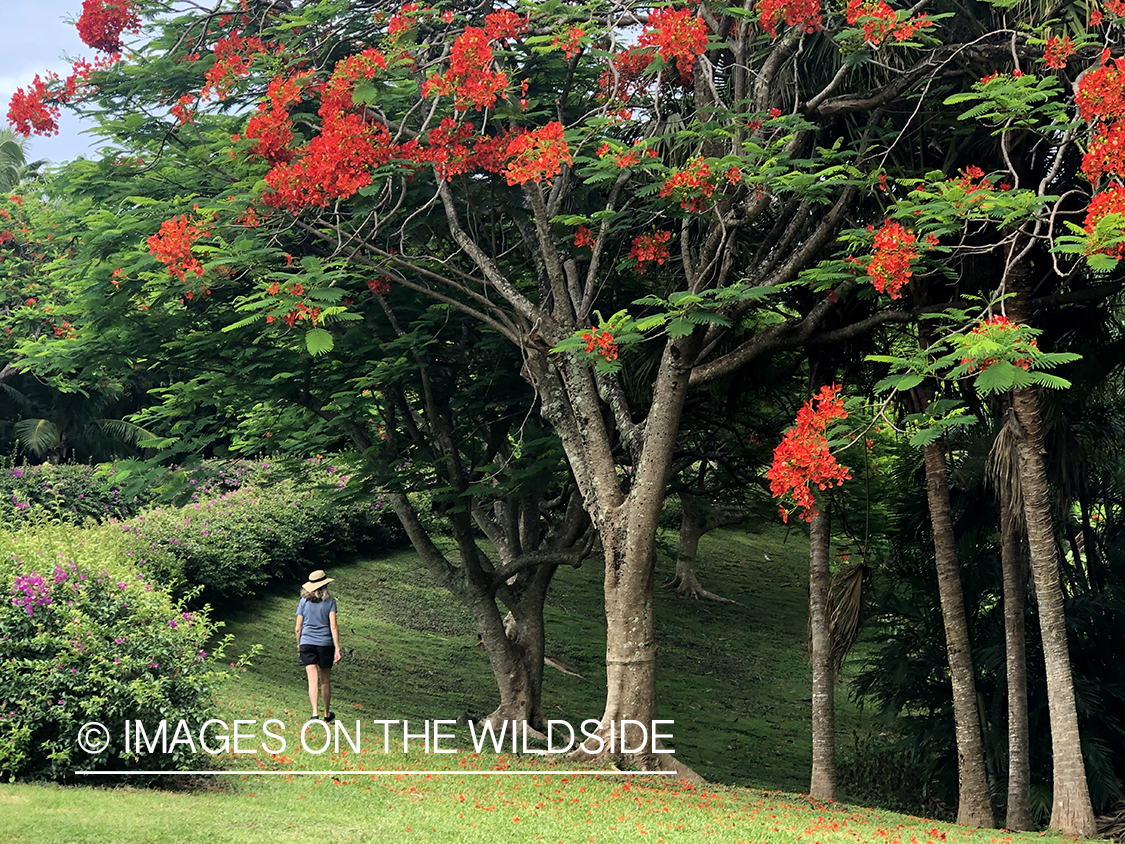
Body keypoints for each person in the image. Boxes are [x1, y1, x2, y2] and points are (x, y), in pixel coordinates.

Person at [295, 569, 341, 721]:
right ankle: (327, 714)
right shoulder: (330, 602)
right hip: (325, 643)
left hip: (306, 642)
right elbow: (333, 626)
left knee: (312, 680)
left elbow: (298, 628)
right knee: (325, 681)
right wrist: (337, 648)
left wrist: (299, 644)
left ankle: (314, 713)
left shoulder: (303, 602)